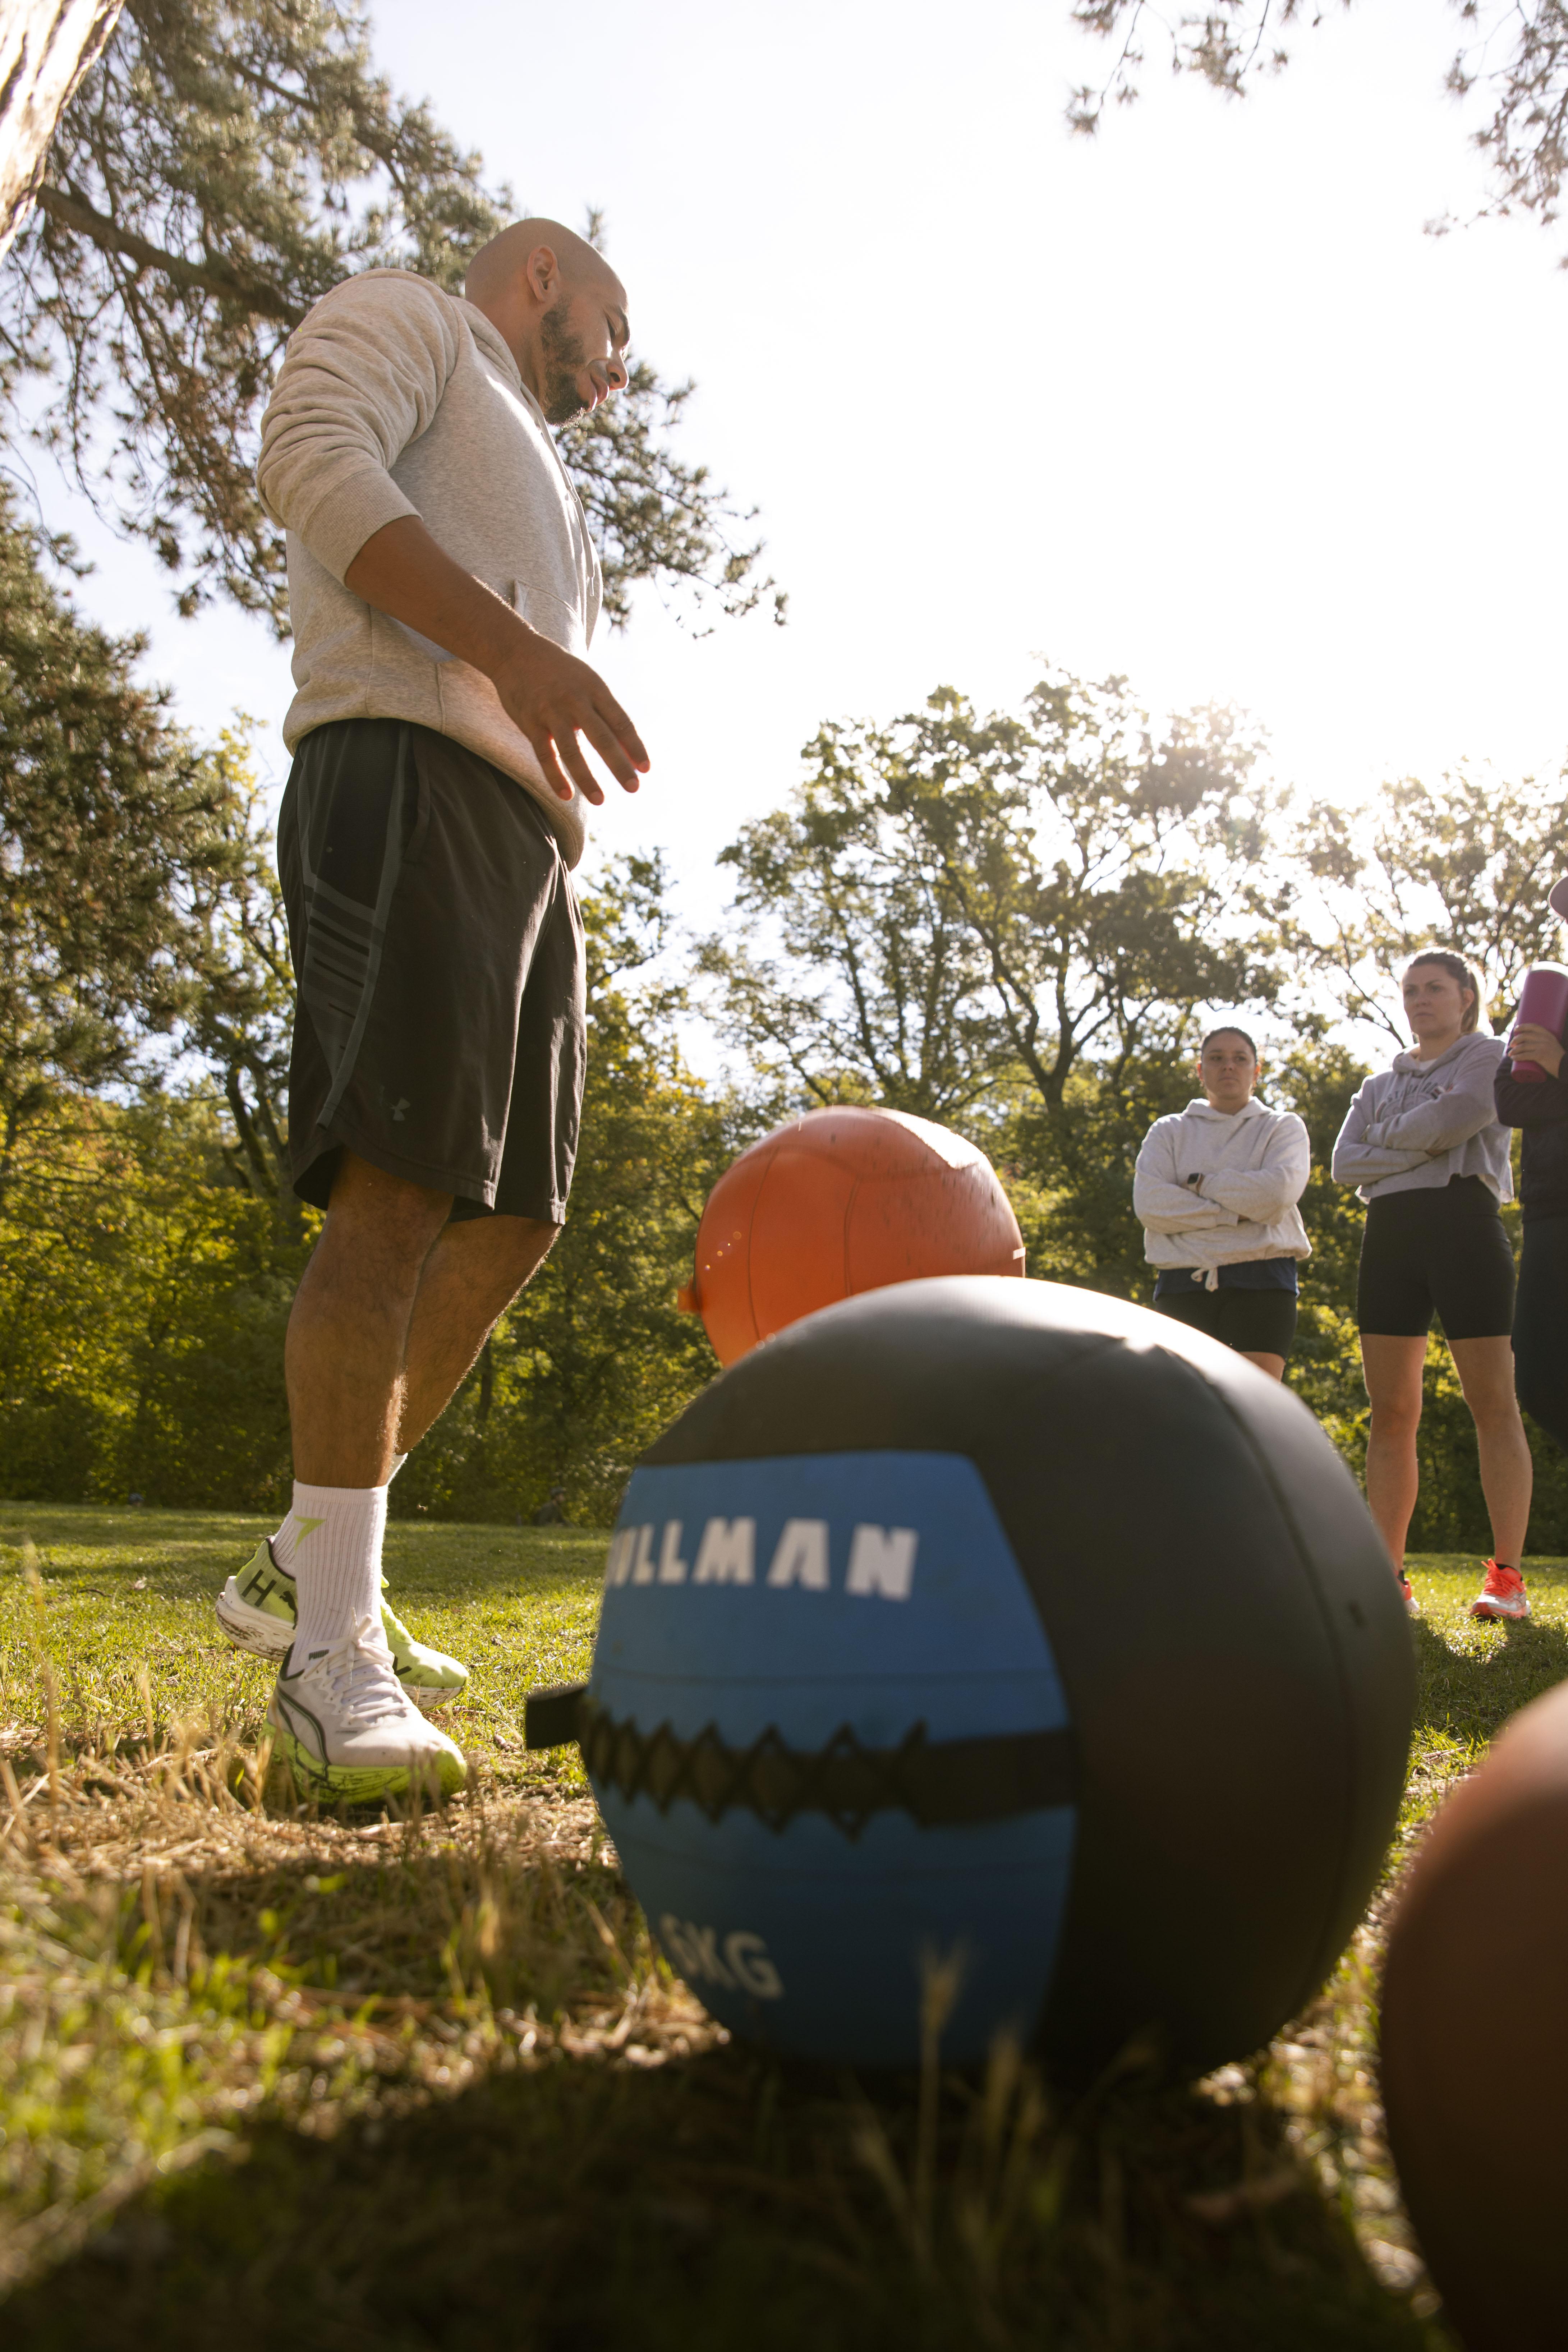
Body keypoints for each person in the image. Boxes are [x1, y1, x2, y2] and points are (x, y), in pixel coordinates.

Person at [213, 219, 648, 1800]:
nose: (621, 366)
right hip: (400, 780)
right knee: (391, 1202)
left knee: (510, 1220)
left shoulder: (539, 456)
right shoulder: (409, 319)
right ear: (542, 278)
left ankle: (307, 1560)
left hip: (525, 845)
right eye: (613, 323)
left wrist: (537, 700)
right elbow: (312, 469)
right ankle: (331, 1663)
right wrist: (516, 653)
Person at [1332, 951, 1531, 1621]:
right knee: (1390, 1412)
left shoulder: (1487, 1056)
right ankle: (1388, 1579)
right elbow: (1340, 1163)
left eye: (1435, 989)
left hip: (1464, 1227)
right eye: (1411, 990)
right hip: (1388, 1236)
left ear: (1466, 997)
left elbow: (1461, 1117)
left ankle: (1506, 1579)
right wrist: (1414, 1141)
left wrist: (1386, 1150)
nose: (1420, 1000)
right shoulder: (1374, 1084)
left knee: (1491, 1401)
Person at [1134, 1026, 1311, 1379]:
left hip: (1263, 1280)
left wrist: (1203, 1184)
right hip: (1183, 1282)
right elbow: (1151, 1206)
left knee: (1252, 1409)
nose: (1228, 1066)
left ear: (1256, 1071)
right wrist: (1236, 1213)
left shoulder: (1282, 1127)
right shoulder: (1168, 1132)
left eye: (1240, 1059)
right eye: (1216, 1058)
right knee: (1184, 1404)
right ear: (1200, 1070)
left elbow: (1276, 1196)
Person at [1493, 934, 1568, 1583]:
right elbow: (1510, 1101)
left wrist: (1561, 1067)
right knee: (1540, 1377)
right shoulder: (1548, 996)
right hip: (1551, 1210)